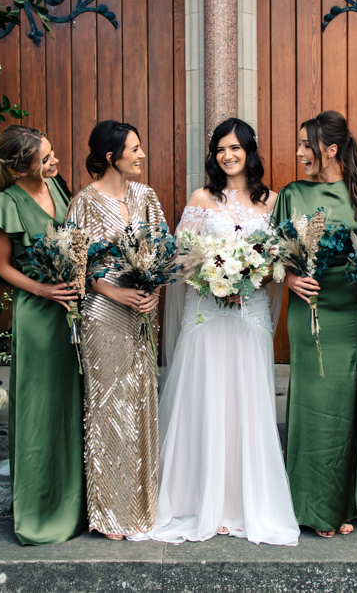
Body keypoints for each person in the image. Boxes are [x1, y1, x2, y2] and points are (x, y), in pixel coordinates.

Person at [142, 118, 299, 546]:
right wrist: (214, 279)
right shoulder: (201, 199)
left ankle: (241, 503)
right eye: (220, 149)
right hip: (207, 315)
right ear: (213, 155)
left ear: (250, 150)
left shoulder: (272, 201)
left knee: (247, 401)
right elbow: (180, 259)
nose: (228, 156)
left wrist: (250, 279)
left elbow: (278, 260)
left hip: (250, 315)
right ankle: (199, 500)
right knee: (205, 398)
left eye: (235, 148)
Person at [272, 110, 357, 538]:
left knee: (345, 404)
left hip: (350, 308)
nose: (298, 152)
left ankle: (342, 501)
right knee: (312, 401)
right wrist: (291, 277)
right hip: (307, 307)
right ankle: (310, 503)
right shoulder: (291, 193)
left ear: (331, 149)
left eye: (305, 145)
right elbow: (272, 250)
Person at [0, 125, 86, 544]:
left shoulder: (58, 189)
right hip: (37, 316)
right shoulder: (5, 204)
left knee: (70, 404)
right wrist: (45, 289)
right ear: (21, 167)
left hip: (71, 312)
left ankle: (73, 504)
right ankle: (39, 511)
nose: (55, 161)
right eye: (46, 159)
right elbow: (4, 268)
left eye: (53, 153)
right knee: (40, 408)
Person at [67, 120, 166, 541]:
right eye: (135, 149)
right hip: (103, 313)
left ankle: (144, 506)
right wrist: (114, 293)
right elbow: (75, 265)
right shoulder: (84, 202)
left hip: (142, 313)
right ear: (112, 157)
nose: (142, 155)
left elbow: (163, 251)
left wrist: (154, 292)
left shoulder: (147, 197)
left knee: (142, 401)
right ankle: (108, 513)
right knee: (108, 408)